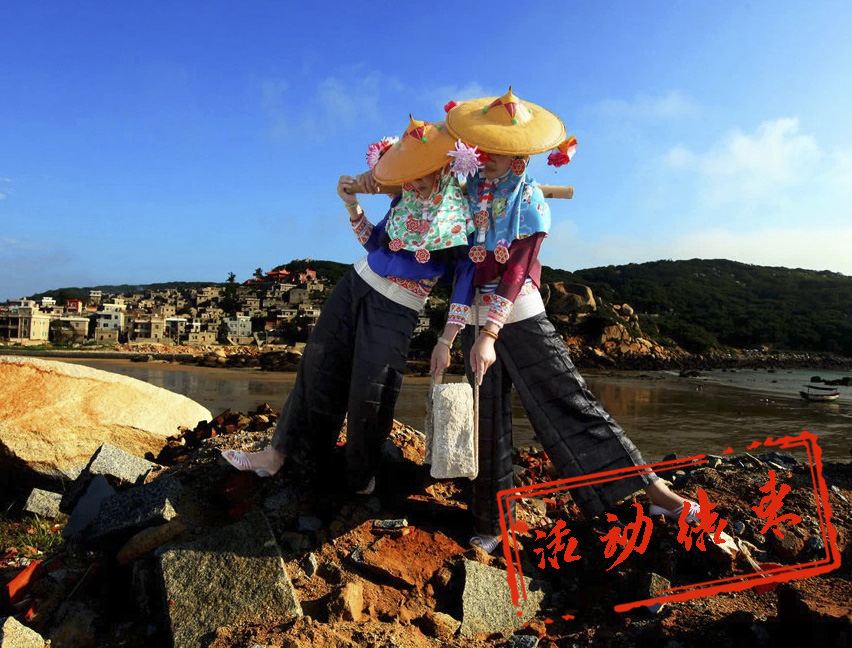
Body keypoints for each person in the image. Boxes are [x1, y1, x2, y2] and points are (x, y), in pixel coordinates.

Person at [444, 88, 699, 553]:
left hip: (515, 314)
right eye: (486, 150)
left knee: (569, 402)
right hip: (474, 316)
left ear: (521, 157)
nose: (491, 158)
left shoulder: (531, 203)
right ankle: (491, 521)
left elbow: (518, 269)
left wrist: (490, 334)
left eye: (502, 152)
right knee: (486, 421)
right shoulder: (470, 190)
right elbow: (442, 218)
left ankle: (655, 492)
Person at [222, 116, 475, 495]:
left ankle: (360, 479)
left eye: (424, 173)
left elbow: (465, 283)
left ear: (443, 166)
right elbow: (377, 245)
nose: (416, 180)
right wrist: (352, 206)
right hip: (355, 283)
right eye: (410, 172)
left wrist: (446, 340)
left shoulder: (462, 214)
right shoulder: (404, 199)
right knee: (317, 366)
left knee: (370, 391)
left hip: (398, 307)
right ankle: (278, 454)